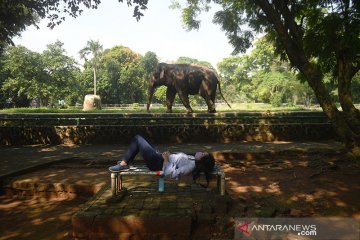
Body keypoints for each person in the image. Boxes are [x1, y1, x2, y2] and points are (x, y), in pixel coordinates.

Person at [109, 134, 215, 187]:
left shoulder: (190, 166)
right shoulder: (192, 160)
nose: (202, 152)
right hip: (159, 158)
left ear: (201, 159)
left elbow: (171, 173)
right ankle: (126, 162)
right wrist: (167, 156)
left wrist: (165, 159)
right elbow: (175, 162)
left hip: (156, 163)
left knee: (138, 138)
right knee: (142, 137)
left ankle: (123, 163)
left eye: (203, 154)